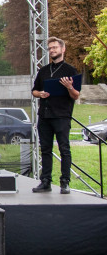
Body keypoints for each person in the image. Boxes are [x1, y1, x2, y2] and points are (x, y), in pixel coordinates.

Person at [31, 36, 79, 194]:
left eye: (55, 48)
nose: (52, 50)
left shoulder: (70, 70)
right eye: (50, 48)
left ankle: (65, 182)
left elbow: (76, 95)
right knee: (45, 149)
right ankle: (46, 181)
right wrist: (41, 94)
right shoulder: (44, 70)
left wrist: (69, 87)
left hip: (61, 115)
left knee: (64, 149)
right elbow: (34, 91)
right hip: (45, 115)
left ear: (63, 49)